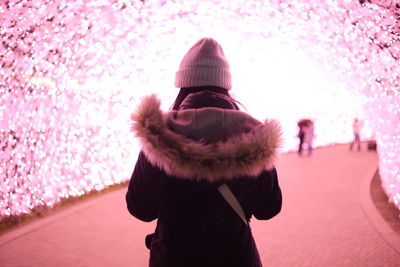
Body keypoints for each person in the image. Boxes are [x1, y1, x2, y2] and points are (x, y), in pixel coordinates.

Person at [126, 37, 282, 267]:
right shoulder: (255, 137)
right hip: (236, 258)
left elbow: (141, 208)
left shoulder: (158, 136)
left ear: (183, 84)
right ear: (226, 85)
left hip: (173, 258)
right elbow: (269, 208)